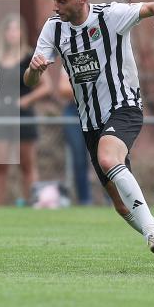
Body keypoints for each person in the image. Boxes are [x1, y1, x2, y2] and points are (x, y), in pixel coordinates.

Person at [24, 0, 154, 272]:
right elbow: (29, 80)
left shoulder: (111, 16)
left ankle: (152, 233)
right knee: (121, 205)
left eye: (62, 0)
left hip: (124, 106)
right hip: (90, 121)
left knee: (109, 159)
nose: (55, 6)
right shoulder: (54, 28)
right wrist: (35, 70)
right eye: (54, 0)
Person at [0, 14, 49, 206]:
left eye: (16, 29)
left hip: (23, 115)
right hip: (0, 115)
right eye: (8, 29)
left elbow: (46, 86)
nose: (12, 33)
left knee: (27, 165)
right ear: (3, 34)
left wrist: (27, 100)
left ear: (22, 33)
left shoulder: (30, 57)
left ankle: (33, 205)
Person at [57, 67, 93, 205]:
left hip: (101, 109)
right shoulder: (71, 55)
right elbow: (63, 88)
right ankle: (85, 200)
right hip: (74, 111)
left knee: (105, 157)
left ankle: (112, 199)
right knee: (79, 159)